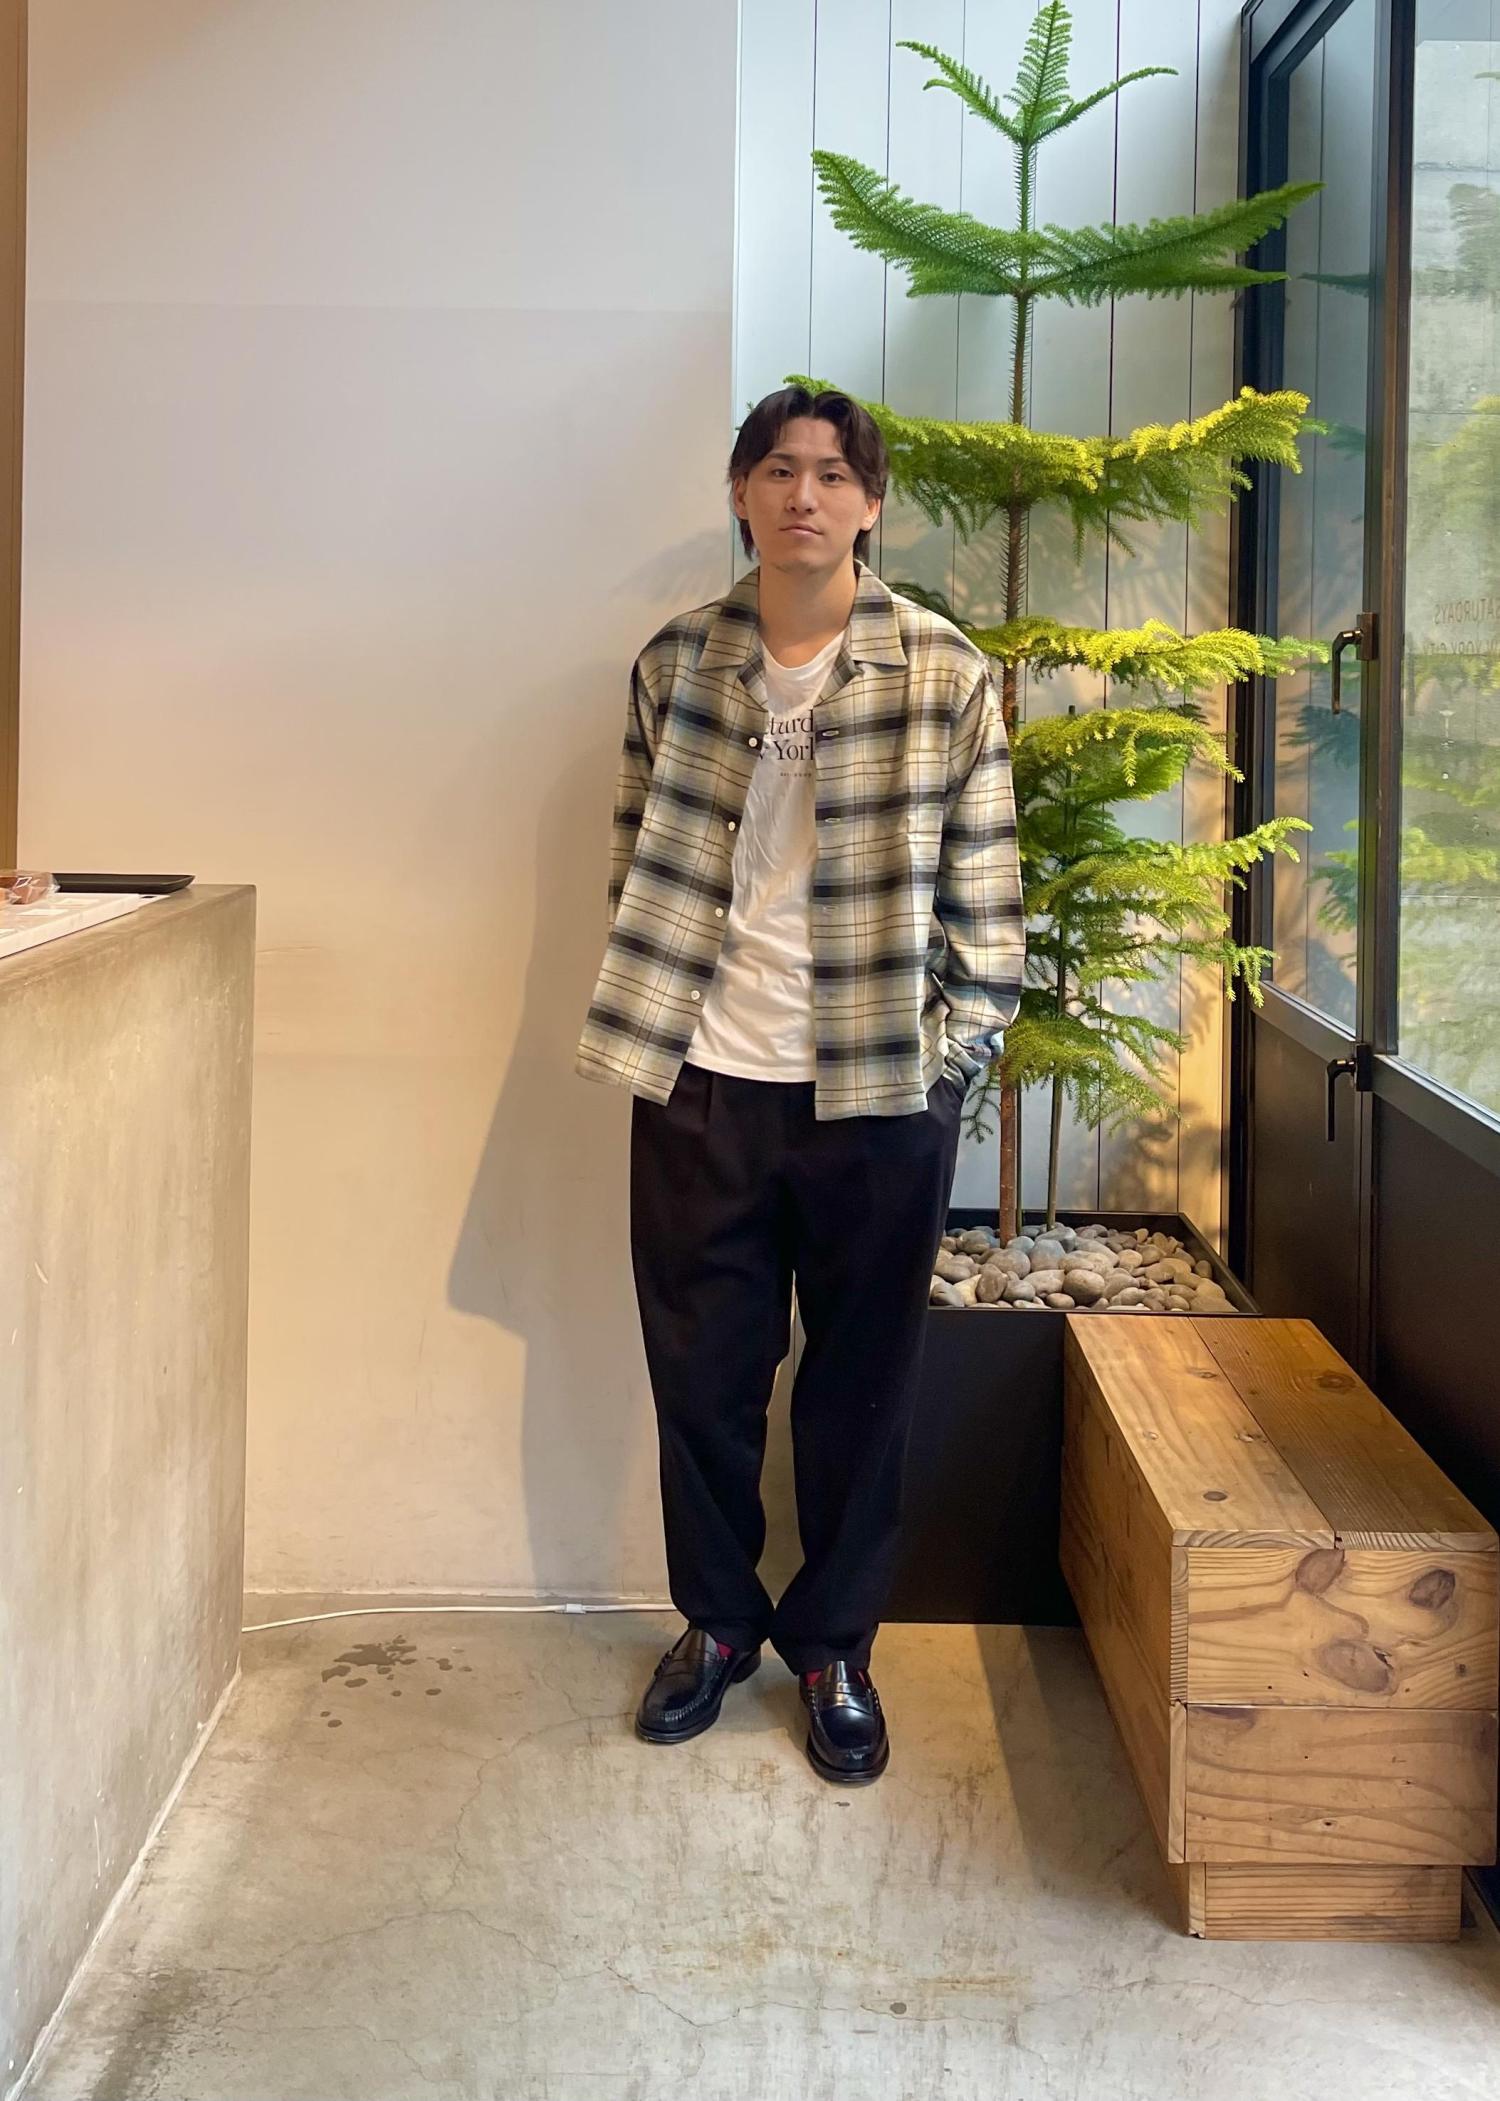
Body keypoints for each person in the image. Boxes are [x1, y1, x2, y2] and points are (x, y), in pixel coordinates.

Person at [575, 384, 1024, 1784]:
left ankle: (833, 1646)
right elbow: (632, 860)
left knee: (861, 1388)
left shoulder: (944, 671)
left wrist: (943, 1067)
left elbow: (989, 899)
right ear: (741, 493)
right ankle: (717, 1624)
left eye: (832, 474)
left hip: (876, 1090)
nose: (804, 495)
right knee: (701, 1379)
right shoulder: (675, 664)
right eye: (777, 470)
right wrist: (662, 1020)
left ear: (870, 503)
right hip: (703, 1077)